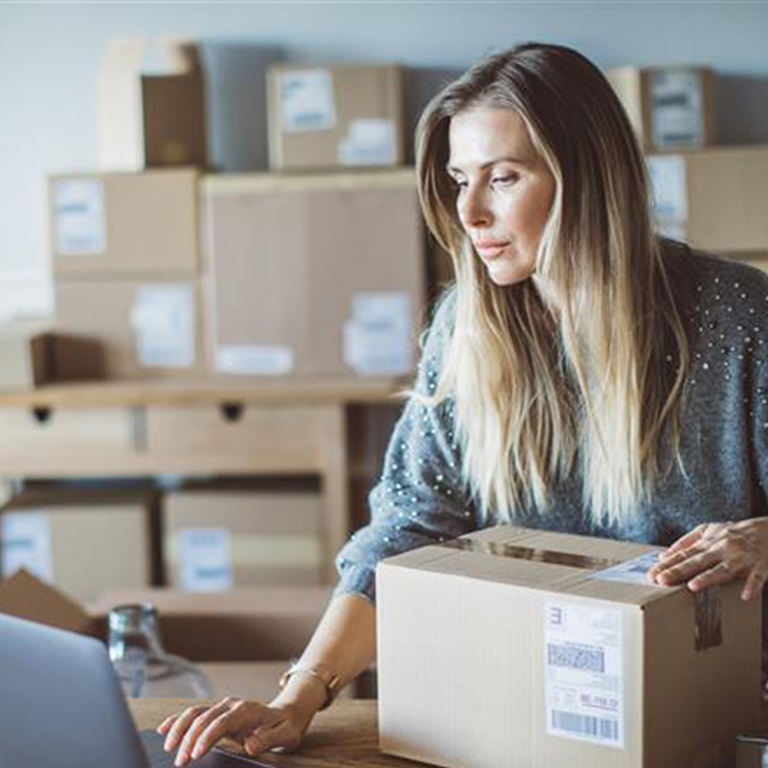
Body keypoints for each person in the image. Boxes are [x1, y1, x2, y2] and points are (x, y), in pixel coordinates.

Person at [159, 42, 768, 766]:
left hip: (713, 726)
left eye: (503, 178)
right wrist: (297, 698)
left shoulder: (739, 318)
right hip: (520, 720)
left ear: (590, 178)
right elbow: (407, 533)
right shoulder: (466, 333)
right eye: (457, 180)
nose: (470, 212)